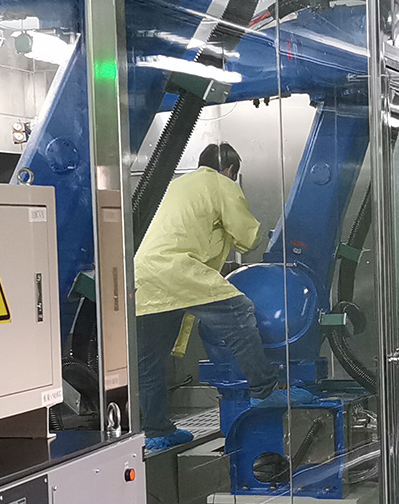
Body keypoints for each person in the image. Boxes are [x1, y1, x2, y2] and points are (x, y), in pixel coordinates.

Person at [133, 143, 313, 453]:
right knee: (240, 312)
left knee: (150, 361)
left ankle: (156, 430)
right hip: (178, 269)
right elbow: (247, 237)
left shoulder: (178, 185)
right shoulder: (220, 183)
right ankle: (265, 389)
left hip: (144, 276)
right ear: (230, 170)